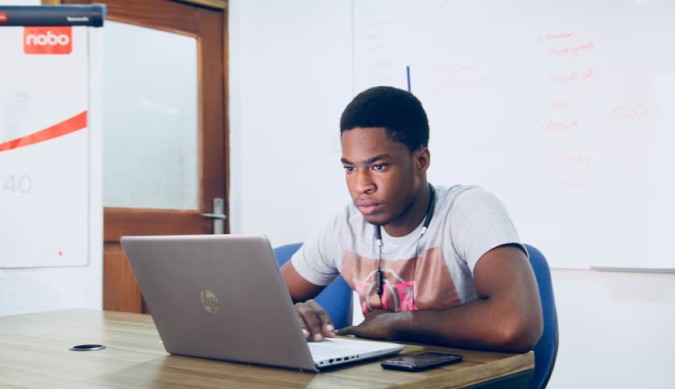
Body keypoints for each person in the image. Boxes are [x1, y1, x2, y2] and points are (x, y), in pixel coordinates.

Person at [281, 86, 543, 353]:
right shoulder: (346, 225)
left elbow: (515, 325)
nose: (361, 185)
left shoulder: (468, 210)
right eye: (350, 168)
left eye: (378, 166)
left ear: (420, 160)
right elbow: (258, 301)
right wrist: (293, 313)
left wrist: (401, 323)